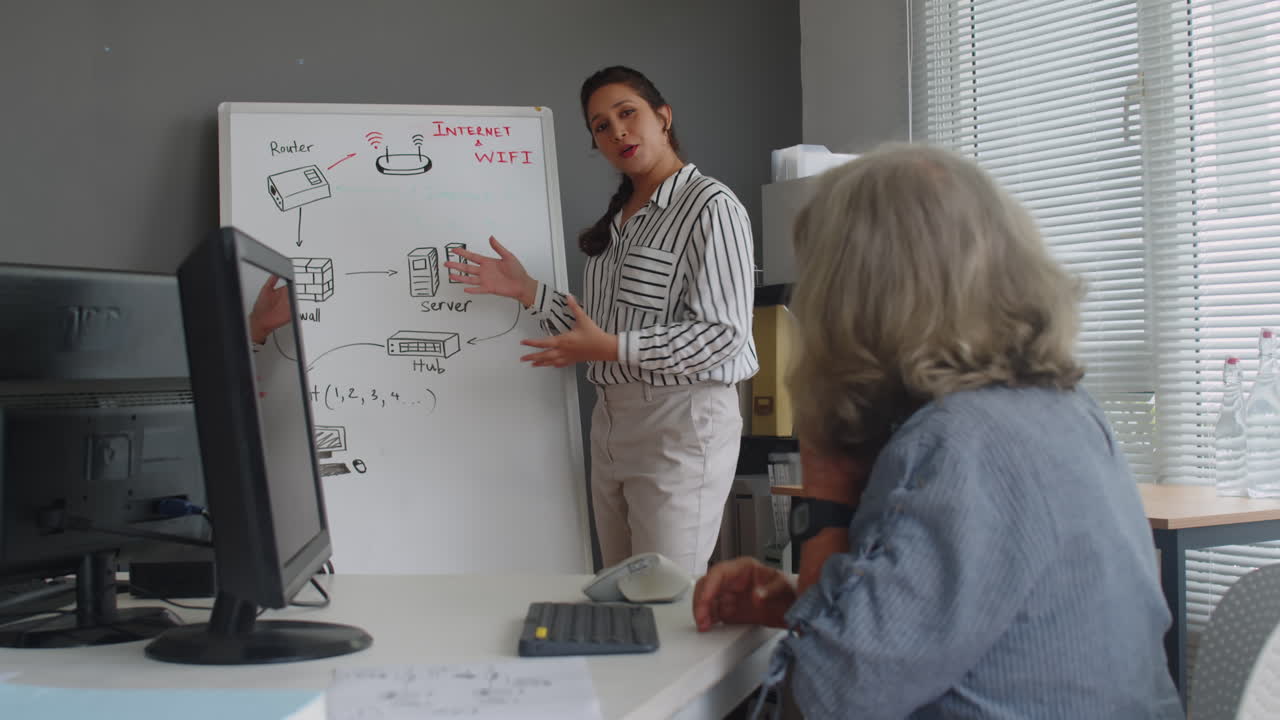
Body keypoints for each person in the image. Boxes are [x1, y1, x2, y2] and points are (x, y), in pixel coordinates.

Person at [692, 144, 1182, 718]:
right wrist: (804, 602)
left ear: (861, 299)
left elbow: (819, 704)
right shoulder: (1065, 410)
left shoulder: (958, 445)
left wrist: (824, 495)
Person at [445, 66, 757, 576]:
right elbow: (597, 331)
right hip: (612, 422)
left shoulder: (711, 207)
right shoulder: (619, 221)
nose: (617, 132)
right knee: (622, 591)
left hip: (679, 421)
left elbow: (722, 337)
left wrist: (613, 349)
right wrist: (528, 290)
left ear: (663, 116)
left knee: (665, 596)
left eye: (627, 114)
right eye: (600, 126)